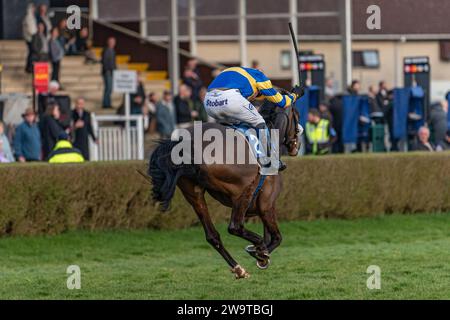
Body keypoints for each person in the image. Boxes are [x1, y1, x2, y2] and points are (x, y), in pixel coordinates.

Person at [205, 66, 303, 170]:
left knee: (239, 122)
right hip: (230, 99)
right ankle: (269, 160)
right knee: (259, 121)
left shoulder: (236, 72)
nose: (256, 97)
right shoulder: (259, 76)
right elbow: (283, 103)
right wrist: (295, 94)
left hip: (208, 102)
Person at [101, 37, 117, 109]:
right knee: (108, 88)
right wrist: (109, 71)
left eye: (113, 42)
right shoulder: (107, 51)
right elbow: (106, 63)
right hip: (108, 72)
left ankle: (107, 103)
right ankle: (106, 103)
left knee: (109, 88)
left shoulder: (112, 51)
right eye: (111, 42)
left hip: (111, 72)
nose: (112, 43)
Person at [22, 3, 38, 73]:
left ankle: (29, 66)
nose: (34, 9)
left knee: (32, 52)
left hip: (32, 37)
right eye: (33, 8)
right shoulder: (29, 17)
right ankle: (29, 67)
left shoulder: (32, 17)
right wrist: (34, 33)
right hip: (30, 37)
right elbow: (30, 29)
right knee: (31, 52)